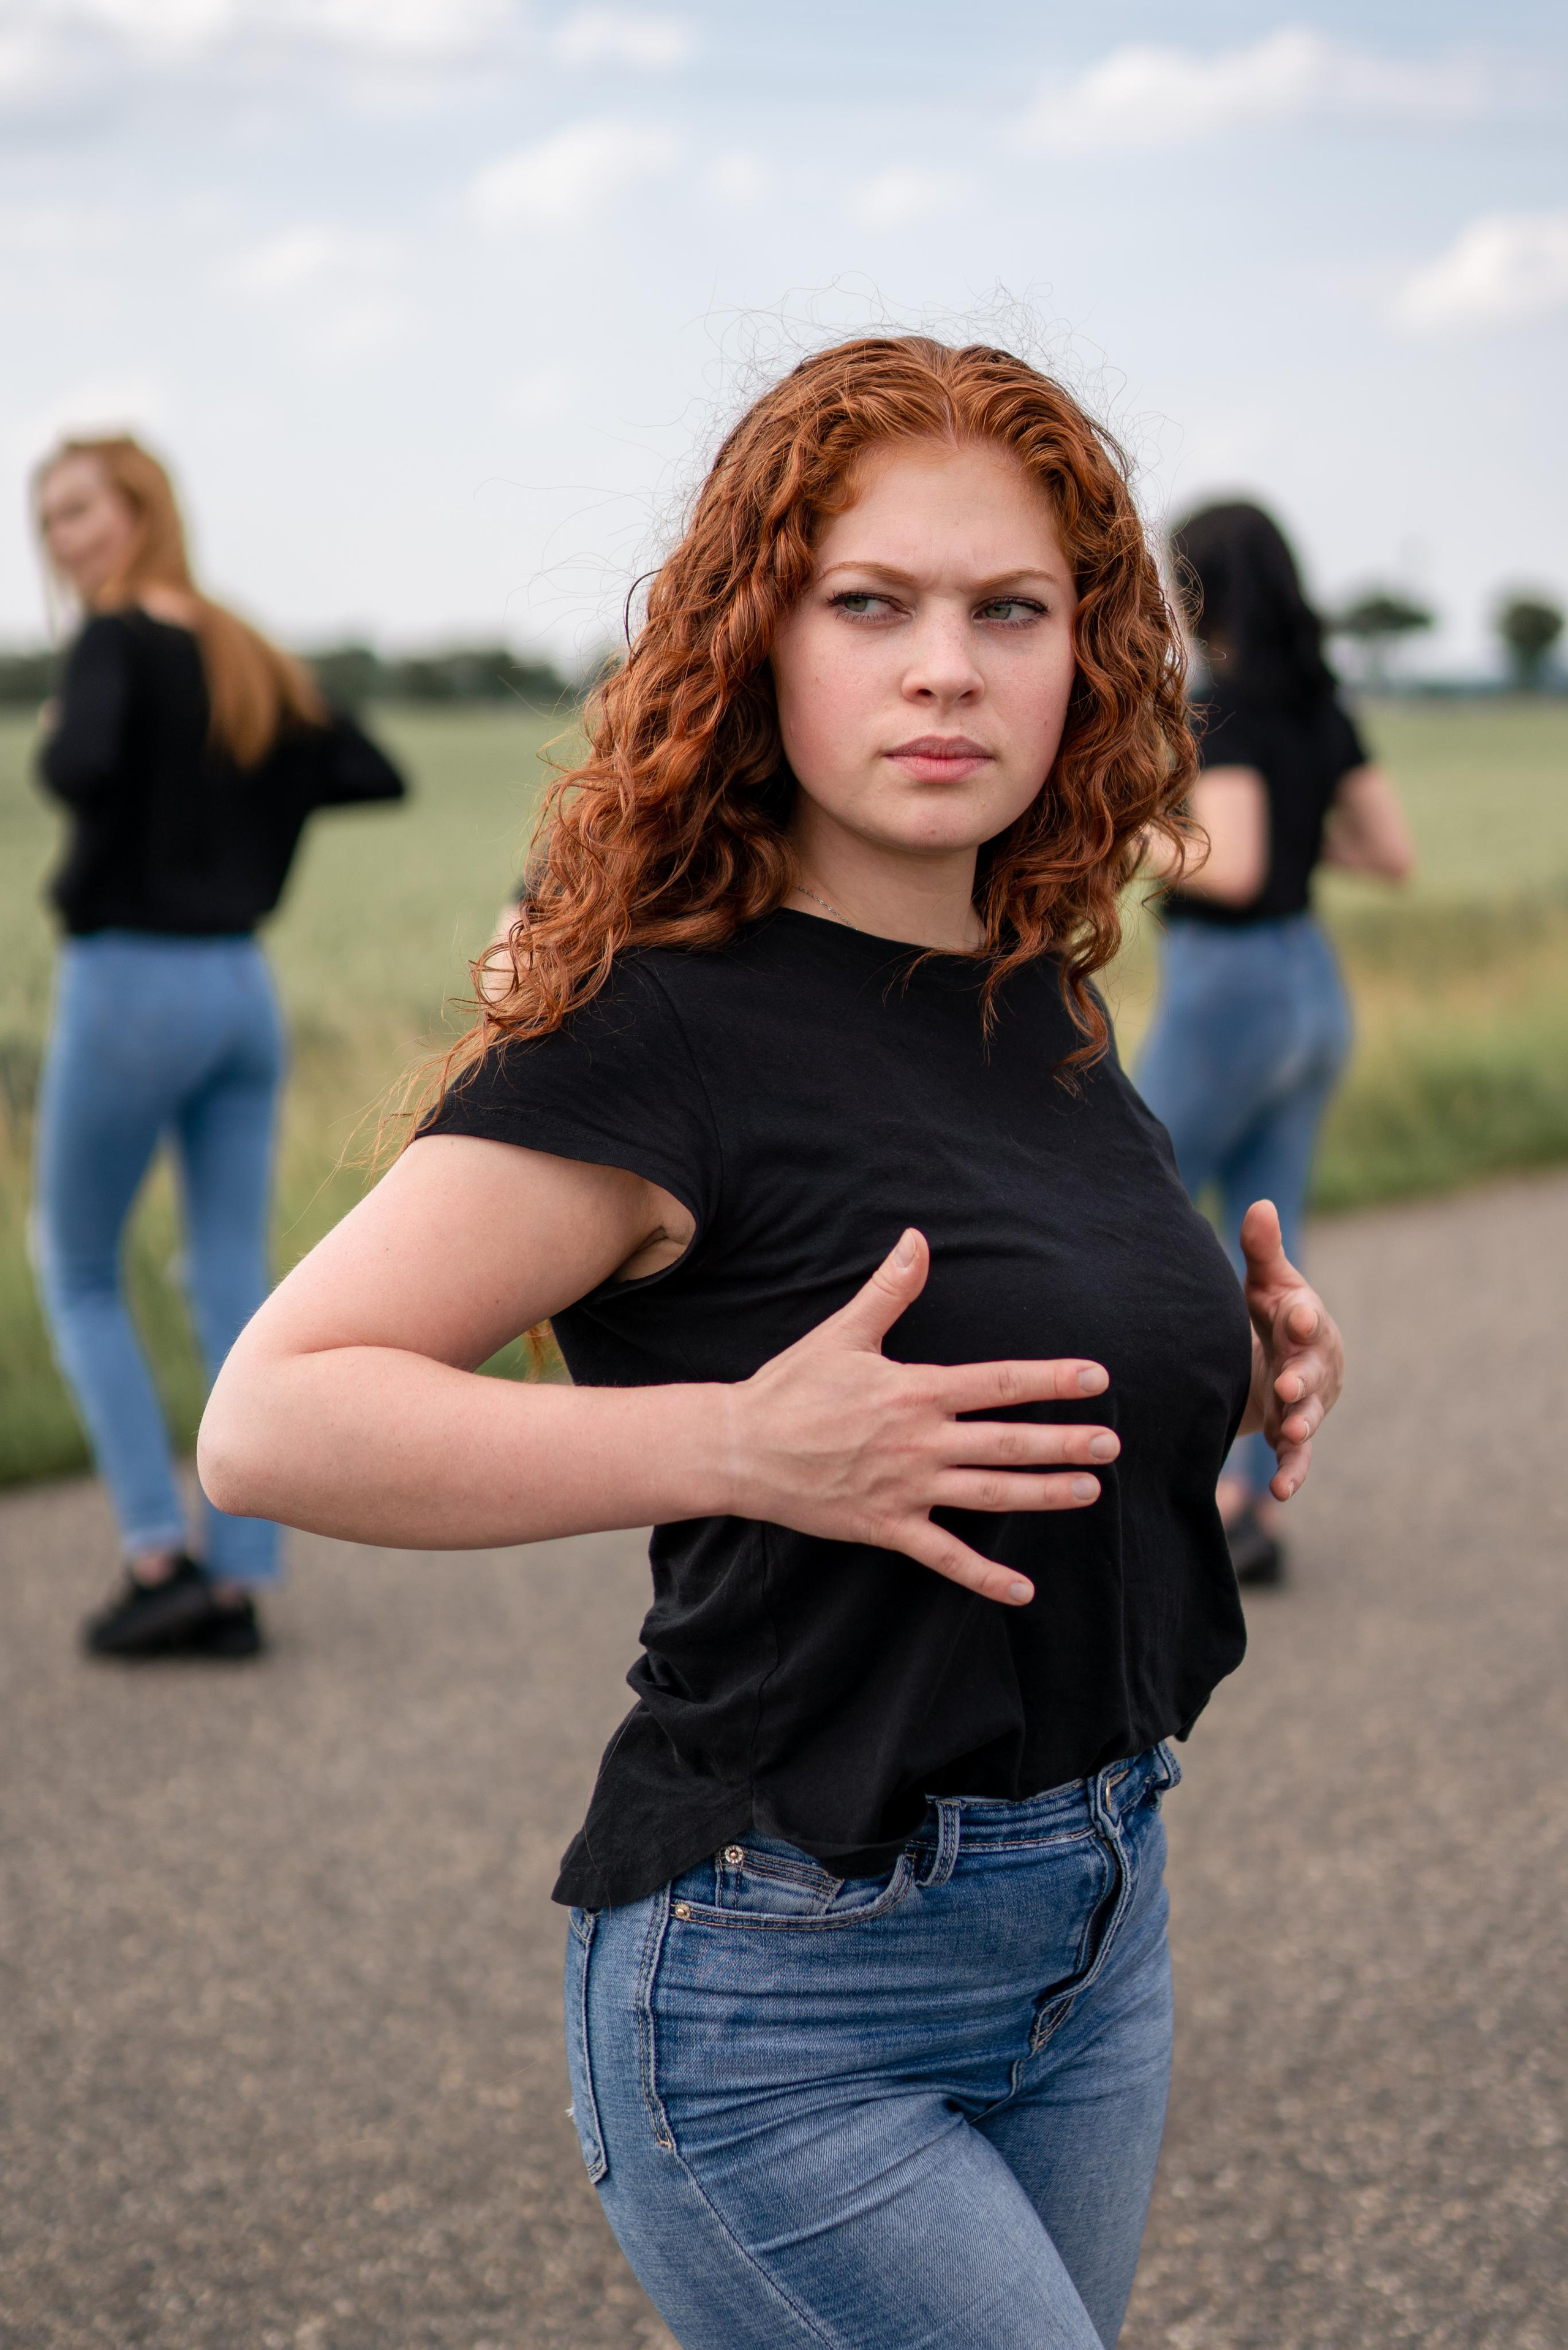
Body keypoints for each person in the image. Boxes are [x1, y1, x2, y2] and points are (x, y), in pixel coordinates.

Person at [199, 339, 1344, 2348]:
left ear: (1089, 653)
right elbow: (273, 1417)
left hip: (1095, 1929)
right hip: (786, 1988)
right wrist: (740, 1440)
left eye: (1011, 610)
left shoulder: (1034, 985)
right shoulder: (656, 1028)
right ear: (760, 639)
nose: (945, 669)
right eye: (870, 603)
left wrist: (1221, 1356)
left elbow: (977, 1339)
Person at [31, 434, 407, 1661]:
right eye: (49, 518)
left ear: (140, 508)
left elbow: (78, 765)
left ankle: (159, 1554)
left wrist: (71, 726)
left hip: (131, 984)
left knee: (77, 1264)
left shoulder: (112, 638)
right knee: (228, 1272)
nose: (62, 537)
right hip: (241, 989)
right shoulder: (241, 648)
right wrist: (239, 813)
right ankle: (241, 1573)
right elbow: (370, 768)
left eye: (80, 509)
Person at [1135, 500, 1412, 1584]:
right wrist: (1304, 834)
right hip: (1312, 987)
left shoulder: (1225, 705)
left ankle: (1163, 1486)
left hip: (1231, 989)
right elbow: (1388, 853)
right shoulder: (1321, 705)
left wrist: (1116, 825)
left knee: (1134, 1205)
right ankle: (1246, 1504)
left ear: (1199, 586)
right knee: (1269, 1248)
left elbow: (1233, 865)